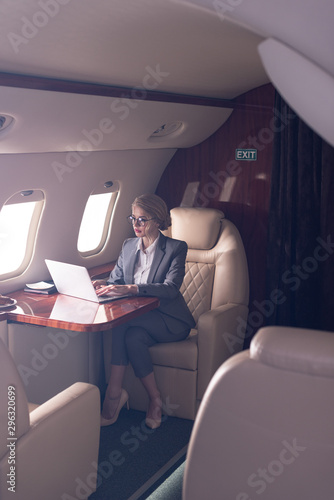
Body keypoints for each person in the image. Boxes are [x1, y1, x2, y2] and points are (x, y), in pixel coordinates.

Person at [94, 194, 195, 429]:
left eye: (142, 220)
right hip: (139, 323)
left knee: (122, 322)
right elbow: (116, 279)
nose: (136, 225)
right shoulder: (128, 246)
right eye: (133, 219)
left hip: (170, 322)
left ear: (158, 220)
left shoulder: (175, 248)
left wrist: (132, 288)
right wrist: (103, 283)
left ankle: (113, 394)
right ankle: (155, 399)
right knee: (131, 336)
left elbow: (171, 289)